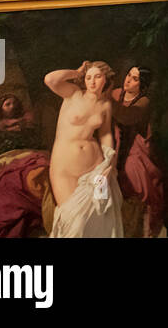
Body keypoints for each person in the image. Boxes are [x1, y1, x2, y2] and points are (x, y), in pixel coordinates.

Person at [44, 60, 123, 238]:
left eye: (97, 77)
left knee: (99, 215)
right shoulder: (73, 94)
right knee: (73, 220)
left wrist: (109, 163)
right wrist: (76, 71)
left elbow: (105, 135)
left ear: (106, 79)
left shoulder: (105, 105)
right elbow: (50, 79)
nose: (92, 81)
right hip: (65, 167)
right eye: (88, 77)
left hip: (95, 168)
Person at [111, 64, 166, 238]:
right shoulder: (116, 93)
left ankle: (145, 230)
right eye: (128, 75)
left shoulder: (144, 101)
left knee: (134, 174)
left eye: (135, 79)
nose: (128, 80)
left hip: (135, 148)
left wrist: (104, 98)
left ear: (142, 85)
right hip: (114, 144)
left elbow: (126, 117)